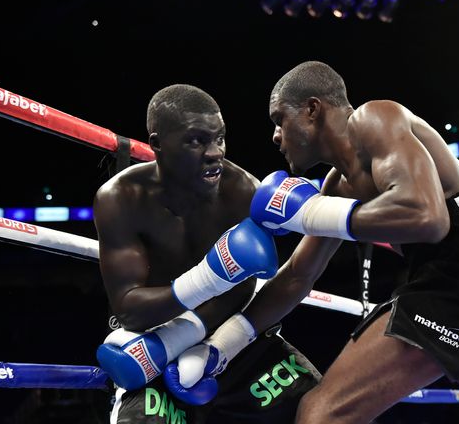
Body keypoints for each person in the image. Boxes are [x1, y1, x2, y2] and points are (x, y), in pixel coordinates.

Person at [175, 61, 459, 424]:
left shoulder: (373, 119)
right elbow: (297, 277)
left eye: (280, 119)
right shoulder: (337, 186)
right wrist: (221, 346)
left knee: (322, 413)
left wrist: (308, 213)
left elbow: (428, 218)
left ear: (313, 109)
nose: (276, 135)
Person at [92, 84, 321, 423]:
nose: (215, 152)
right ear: (156, 144)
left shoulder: (243, 192)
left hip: (233, 340)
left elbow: (242, 288)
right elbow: (129, 311)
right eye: (196, 141)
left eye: (220, 138)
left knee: (321, 406)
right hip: (151, 344)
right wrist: (209, 279)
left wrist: (207, 345)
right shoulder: (121, 199)